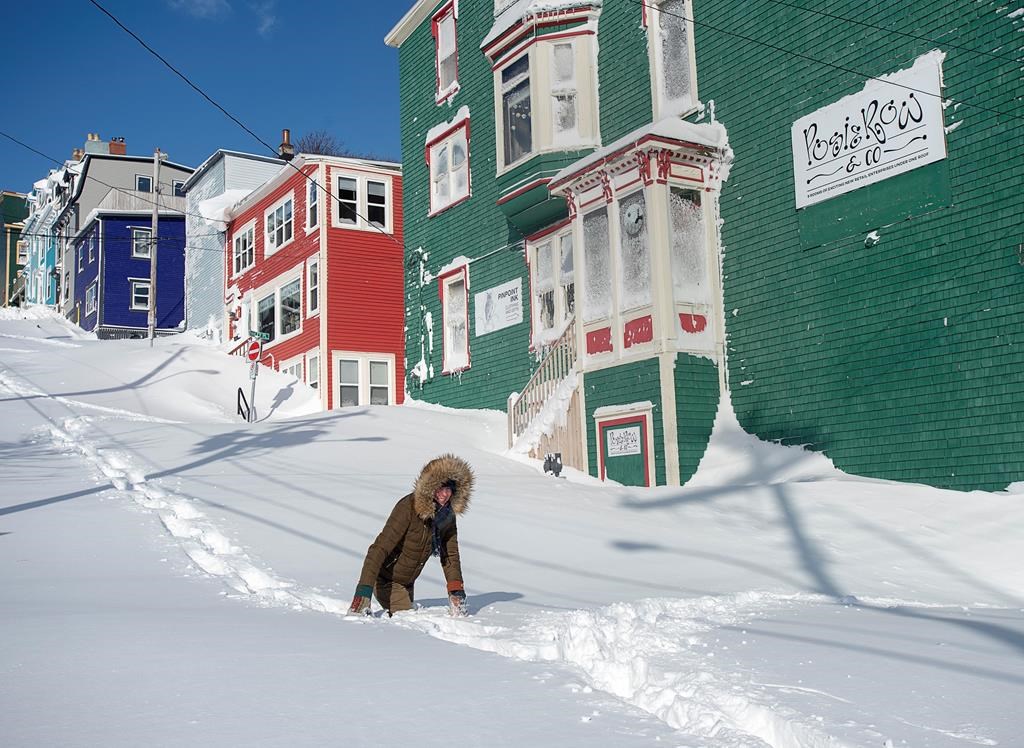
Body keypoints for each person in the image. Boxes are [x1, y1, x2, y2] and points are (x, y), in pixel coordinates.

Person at [349, 454, 473, 616]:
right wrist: (363, 593)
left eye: (449, 489)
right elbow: (378, 549)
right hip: (386, 580)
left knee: (410, 617)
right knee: (407, 619)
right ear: (430, 488)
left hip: (407, 583)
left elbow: (450, 554)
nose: (445, 494)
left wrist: (456, 590)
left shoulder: (447, 515)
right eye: (440, 488)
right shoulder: (408, 508)